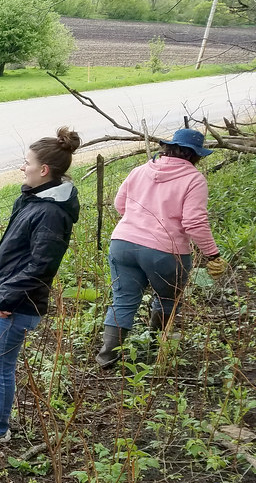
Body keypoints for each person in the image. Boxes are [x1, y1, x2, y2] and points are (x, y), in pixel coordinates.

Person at [0, 127, 82, 446]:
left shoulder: (51, 213)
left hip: (16, 303)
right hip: (7, 296)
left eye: (26, 162)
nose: (22, 167)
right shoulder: (33, 198)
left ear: (44, 170)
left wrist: (4, 296)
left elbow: (42, 265)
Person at [95, 128, 226, 367]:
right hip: (165, 251)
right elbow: (194, 222)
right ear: (195, 155)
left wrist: (137, 223)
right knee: (167, 300)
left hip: (122, 243)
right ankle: (155, 348)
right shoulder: (194, 179)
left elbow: (119, 204)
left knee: (123, 300)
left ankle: (107, 357)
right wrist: (212, 255)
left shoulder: (140, 170)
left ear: (167, 147)